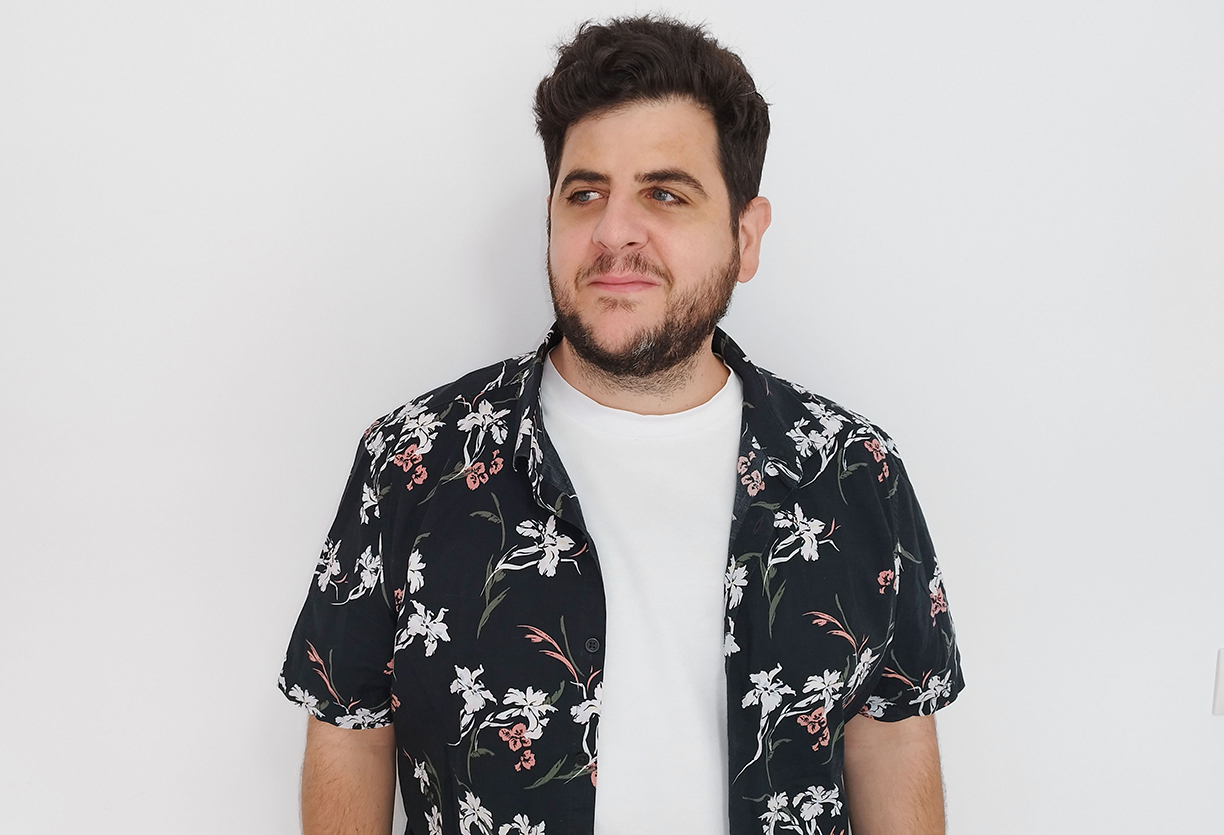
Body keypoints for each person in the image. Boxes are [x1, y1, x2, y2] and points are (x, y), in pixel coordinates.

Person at [279, 15, 963, 835]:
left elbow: (892, 734)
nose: (613, 231)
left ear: (745, 236)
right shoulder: (414, 460)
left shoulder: (853, 472)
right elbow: (350, 729)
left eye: (665, 194)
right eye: (585, 194)